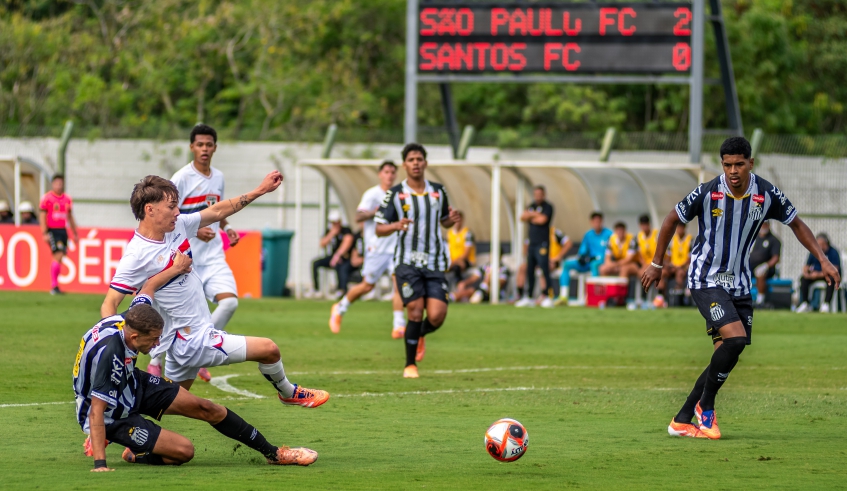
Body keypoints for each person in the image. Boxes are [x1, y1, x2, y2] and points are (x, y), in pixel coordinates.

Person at [642, 136, 840, 440]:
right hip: (706, 279)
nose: (733, 171)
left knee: (727, 352)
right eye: (727, 165)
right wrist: (657, 263)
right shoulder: (708, 192)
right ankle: (706, 406)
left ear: (750, 163)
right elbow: (671, 219)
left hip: (740, 283)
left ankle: (681, 420)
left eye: (739, 164)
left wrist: (823, 260)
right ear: (722, 165)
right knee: (734, 340)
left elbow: (797, 224)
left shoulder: (766, 193)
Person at [101, 172, 328, 407]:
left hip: (180, 340)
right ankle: (288, 393)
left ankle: (112, 419)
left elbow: (217, 212)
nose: (177, 211)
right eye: (171, 206)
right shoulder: (136, 255)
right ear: (150, 210)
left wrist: (260, 190)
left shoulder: (178, 226)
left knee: (168, 405)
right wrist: (112, 348)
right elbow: (109, 303)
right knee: (269, 349)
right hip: (193, 340)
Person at [76, 255, 318, 470]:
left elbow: (148, 288)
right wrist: (100, 465)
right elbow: (96, 410)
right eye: (153, 340)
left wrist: (176, 268)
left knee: (208, 408)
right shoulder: (111, 356)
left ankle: (274, 454)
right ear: (135, 337)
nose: (157, 344)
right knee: (184, 452)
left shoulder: (132, 318)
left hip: (132, 383)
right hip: (111, 415)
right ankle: (125, 444)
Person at [146, 124, 240, 382]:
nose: (204, 149)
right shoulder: (181, 178)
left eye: (209, 145)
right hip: (186, 260)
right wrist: (195, 231)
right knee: (173, 314)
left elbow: (216, 210)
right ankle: (155, 360)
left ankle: (200, 349)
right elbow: (168, 215)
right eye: (200, 144)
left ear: (215, 148)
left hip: (214, 257)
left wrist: (227, 227)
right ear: (192, 147)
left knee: (230, 303)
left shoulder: (218, 177)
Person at [375, 143, 459, 379]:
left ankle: (420, 334)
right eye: (411, 159)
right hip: (407, 262)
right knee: (414, 310)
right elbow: (379, 228)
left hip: (434, 262)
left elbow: (444, 220)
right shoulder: (395, 194)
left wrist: (451, 219)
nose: (415, 163)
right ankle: (410, 365)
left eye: (419, 159)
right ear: (405, 164)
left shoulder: (438, 191)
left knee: (437, 316)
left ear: (425, 163)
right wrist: (395, 225)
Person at [329, 161, 405, 337]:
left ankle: (399, 325)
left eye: (392, 172)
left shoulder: (399, 195)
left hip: (396, 248)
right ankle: (340, 308)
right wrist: (375, 212)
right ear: (380, 174)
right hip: (376, 248)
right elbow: (358, 217)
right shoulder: (372, 194)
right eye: (386, 172)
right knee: (367, 286)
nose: (390, 175)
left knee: (399, 285)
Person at [558, 212, 612, 303]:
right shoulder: (588, 234)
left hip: (599, 263)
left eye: (598, 222)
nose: (596, 224)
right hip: (588, 262)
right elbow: (582, 250)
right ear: (591, 222)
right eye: (594, 222)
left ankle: (593, 296)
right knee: (566, 264)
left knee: (594, 264)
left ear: (602, 222)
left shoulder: (609, 234)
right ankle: (563, 296)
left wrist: (595, 259)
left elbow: (609, 253)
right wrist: (582, 257)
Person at [515, 186, 555, 308]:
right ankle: (529, 297)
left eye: (540, 194)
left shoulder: (548, 207)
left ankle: (548, 296)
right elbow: (522, 217)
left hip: (542, 244)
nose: (537, 196)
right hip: (532, 244)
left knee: (544, 269)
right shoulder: (531, 205)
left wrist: (531, 216)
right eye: (536, 194)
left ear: (544, 195)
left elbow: (542, 220)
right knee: (530, 270)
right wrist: (535, 215)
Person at [38, 175, 79, 295]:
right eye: (56, 183)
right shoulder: (47, 198)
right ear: (52, 184)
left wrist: (75, 232)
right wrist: (44, 232)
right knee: (58, 255)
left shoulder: (67, 199)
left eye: (60, 183)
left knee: (60, 256)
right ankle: (54, 286)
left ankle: (55, 285)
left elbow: (70, 217)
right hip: (53, 230)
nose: (59, 186)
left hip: (63, 230)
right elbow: (42, 215)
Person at [516, 227, 571, 303]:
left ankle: (544, 294)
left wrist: (557, 257)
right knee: (523, 268)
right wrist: (528, 257)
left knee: (544, 268)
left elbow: (568, 243)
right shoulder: (534, 233)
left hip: (551, 261)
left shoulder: (554, 232)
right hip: (537, 260)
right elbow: (526, 244)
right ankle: (520, 295)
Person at [310, 210, 354, 298]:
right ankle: (316, 289)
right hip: (332, 257)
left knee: (340, 265)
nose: (335, 224)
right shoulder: (330, 231)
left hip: (344, 258)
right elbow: (322, 244)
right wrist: (332, 234)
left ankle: (341, 289)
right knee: (315, 263)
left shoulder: (346, 230)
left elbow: (347, 243)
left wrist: (337, 256)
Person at [796, 233, 842, 313]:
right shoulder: (813, 252)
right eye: (818, 244)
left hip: (827, 275)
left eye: (822, 244)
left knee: (831, 280)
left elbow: (835, 270)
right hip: (814, 275)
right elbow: (806, 266)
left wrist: (818, 274)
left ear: (826, 244)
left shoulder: (833, 252)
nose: (820, 246)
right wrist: (807, 274)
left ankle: (826, 304)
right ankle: (805, 303)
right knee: (803, 279)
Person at [748, 221, 781, 306]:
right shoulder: (754, 238)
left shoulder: (774, 240)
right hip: (750, 266)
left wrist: (765, 266)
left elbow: (776, 258)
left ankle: (760, 300)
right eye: (762, 224)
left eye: (765, 224)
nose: (763, 226)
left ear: (768, 225)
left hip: (766, 268)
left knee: (760, 272)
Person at [663, 222, 693, 297]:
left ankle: (678, 297)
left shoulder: (690, 240)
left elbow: (690, 258)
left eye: (681, 227)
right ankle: (662, 296)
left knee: (680, 273)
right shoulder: (672, 240)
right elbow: (668, 257)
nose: (679, 229)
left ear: (684, 228)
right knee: (663, 273)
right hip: (673, 267)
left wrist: (680, 266)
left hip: (684, 267)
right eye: (678, 227)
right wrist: (668, 265)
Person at [446, 210, 475, 285]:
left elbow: (466, 253)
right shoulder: (450, 233)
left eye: (458, 220)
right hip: (453, 261)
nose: (457, 222)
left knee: (457, 267)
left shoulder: (467, 233)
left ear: (462, 220)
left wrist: (454, 262)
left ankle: (459, 286)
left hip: (466, 260)